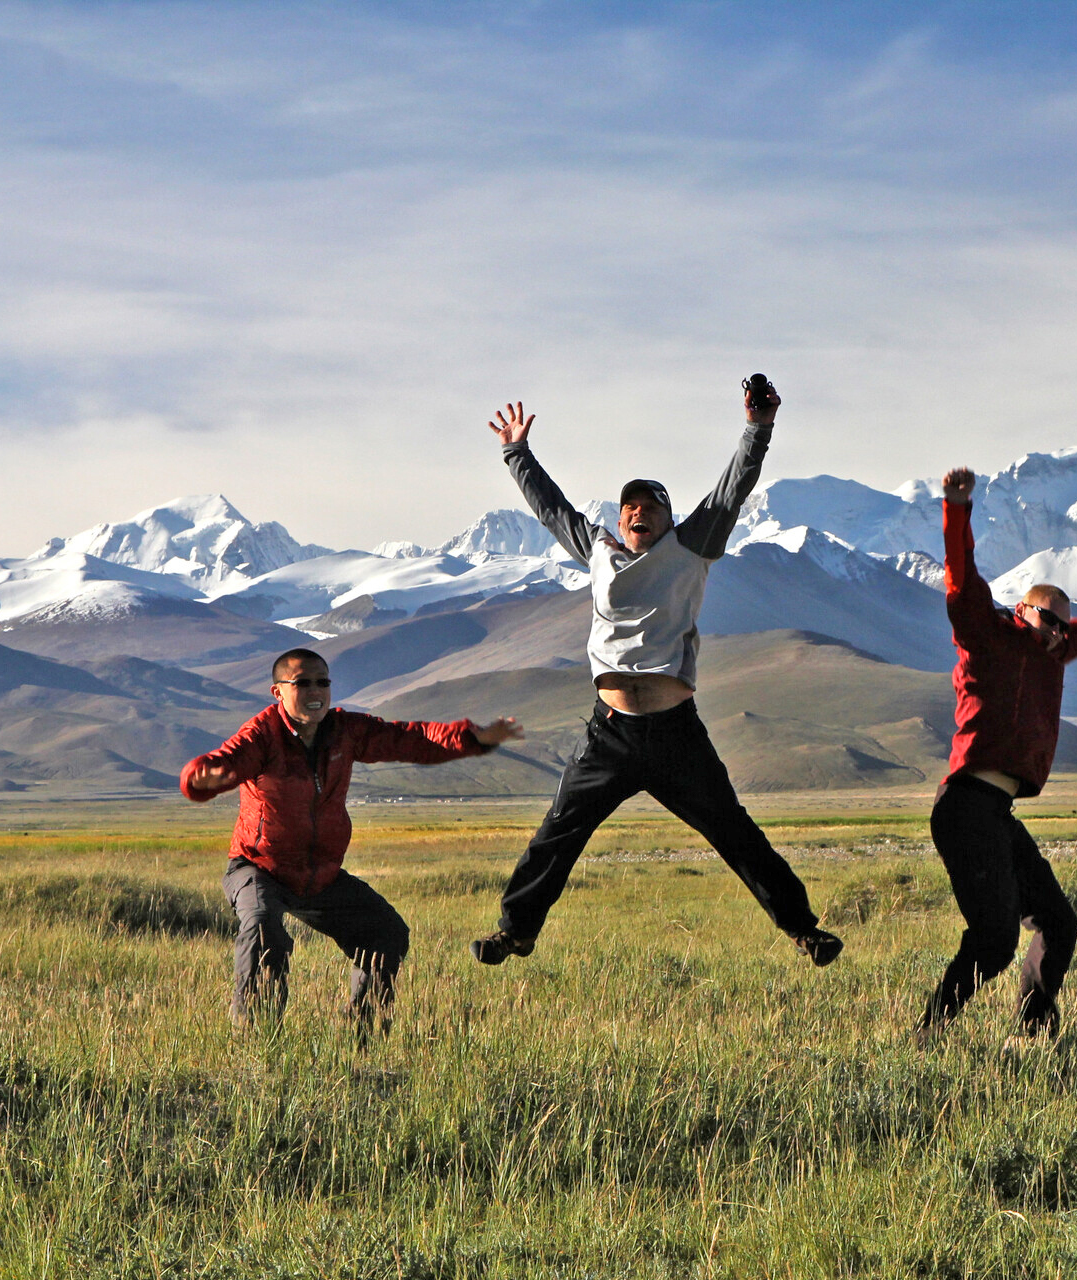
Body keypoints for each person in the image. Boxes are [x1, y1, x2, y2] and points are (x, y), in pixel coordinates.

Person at [470, 377, 843, 967]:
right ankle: (514, 932)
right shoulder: (597, 550)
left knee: (733, 831)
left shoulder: (692, 546)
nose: (637, 509)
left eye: (650, 504)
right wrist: (517, 453)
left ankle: (803, 929)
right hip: (610, 732)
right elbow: (551, 511)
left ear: (669, 519)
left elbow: (732, 490)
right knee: (558, 833)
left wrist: (757, 428)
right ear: (621, 519)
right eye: (629, 504)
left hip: (675, 733)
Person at [181, 648, 522, 1030]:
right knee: (263, 931)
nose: (315, 690)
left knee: (386, 933)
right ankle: (258, 1042)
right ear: (277, 692)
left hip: (319, 875)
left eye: (323, 682)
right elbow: (226, 761)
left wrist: (472, 738)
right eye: (302, 682)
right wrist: (201, 779)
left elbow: (409, 739)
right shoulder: (261, 736)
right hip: (259, 867)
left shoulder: (346, 730)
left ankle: (363, 1038)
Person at [921, 466, 1077, 1040]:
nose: (1058, 632)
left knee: (1058, 922)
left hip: (998, 812)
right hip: (965, 804)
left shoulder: (1053, 651)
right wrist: (957, 508)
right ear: (1024, 610)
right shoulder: (987, 633)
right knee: (995, 938)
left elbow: (1076, 635)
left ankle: (1031, 1034)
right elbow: (961, 579)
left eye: (1064, 624)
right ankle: (929, 1035)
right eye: (1048, 619)